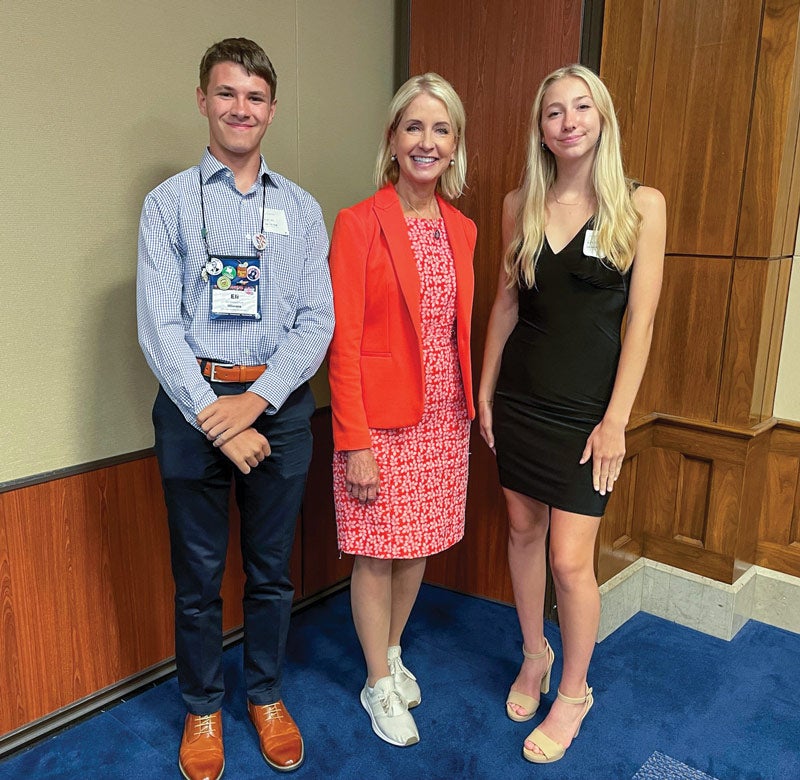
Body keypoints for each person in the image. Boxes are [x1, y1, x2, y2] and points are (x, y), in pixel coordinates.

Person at [137, 38, 333, 779]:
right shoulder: (167, 205)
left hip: (275, 404)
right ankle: (201, 707)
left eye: (254, 97)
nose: (240, 108)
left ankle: (266, 695)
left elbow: (317, 320)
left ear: (271, 110)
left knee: (272, 572)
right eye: (226, 94)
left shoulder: (301, 210)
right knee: (196, 576)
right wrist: (213, 413)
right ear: (202, 101)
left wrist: (255, 402)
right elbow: (158, 325)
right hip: (193, 407)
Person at [478, 64, 666, 764]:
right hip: (520, 400)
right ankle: (535, 655)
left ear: (602, 117)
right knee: (523, 533)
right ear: (542, 128)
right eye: (554, 111)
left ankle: (576, 692)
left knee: (569, 560)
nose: (568, 121)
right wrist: (483, 392)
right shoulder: (519, 202)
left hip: (589, 414)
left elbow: (640, 324)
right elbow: (504, 305)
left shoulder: (642, 205)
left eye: (580, 107)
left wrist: (616, 419)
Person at [327, 73, 476, 747]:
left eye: (440, 129)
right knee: (376, 554)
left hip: (444, 418)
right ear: (392, 140)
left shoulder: (464, 230)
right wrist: (354, 439)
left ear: (455, 145)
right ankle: (375, 681)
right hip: (379, 424)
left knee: (419, 547)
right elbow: (345, 340)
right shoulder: (360, 223)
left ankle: (390, 653)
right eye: (413, 127)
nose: (426, 141)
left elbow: (459, 330)